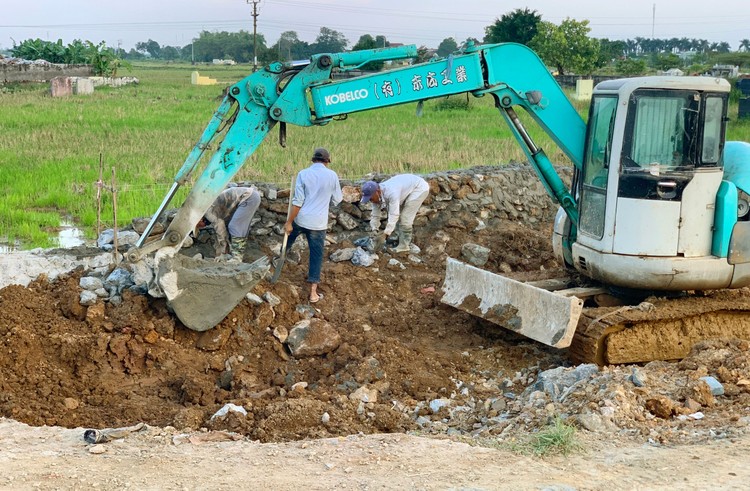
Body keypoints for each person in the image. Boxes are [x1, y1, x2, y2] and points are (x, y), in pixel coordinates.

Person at [284, 147, 343, 304]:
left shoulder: (303, 174)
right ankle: (313, 293)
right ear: (327, 161)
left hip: (301, 218)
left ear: (313, 160)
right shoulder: (332, 175)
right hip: (318, 223)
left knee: (289, 239)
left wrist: (289, 222)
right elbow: (338, 199)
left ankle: (279, 261)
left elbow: (297, 201)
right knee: (316, 256)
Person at [361, 174, 429, 253]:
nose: (370, 200)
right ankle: (398, 238)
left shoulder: (391, 192)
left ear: (377, 191)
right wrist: (374, 229)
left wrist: (385, 234)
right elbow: (375, 214)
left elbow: (394, 215)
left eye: (371, 198)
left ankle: (404, 246)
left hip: (419, 188)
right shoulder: (375, 196)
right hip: (406, 188)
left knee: (405, 217)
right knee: (396, 213)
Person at [199, 186, 261, 259]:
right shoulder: (207, 210)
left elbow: (220, 228)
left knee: (235, 226)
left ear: (199, 220)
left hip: (249, 197)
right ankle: (231, 253)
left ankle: (237, 258)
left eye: (198, 226)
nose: (200, 227)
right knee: (230, 226)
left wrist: (222, 250)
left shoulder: (208, 213)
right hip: (246, 198)